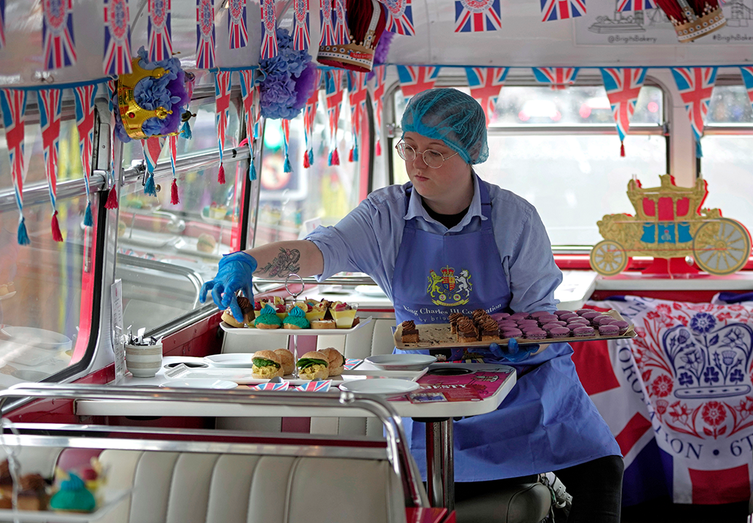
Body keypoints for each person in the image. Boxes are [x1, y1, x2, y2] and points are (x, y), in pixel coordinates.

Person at [200, 88, 624, 522]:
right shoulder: (385, 215)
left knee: (603, 472)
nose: (417, 163)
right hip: (430, 387)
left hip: (524, 387)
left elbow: (538, 316)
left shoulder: (514, 219)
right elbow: (321, 251)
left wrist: (520, 345)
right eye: (410, 147)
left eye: (435, 152)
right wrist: (247, 261)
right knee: (427, 489)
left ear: (470, 153)